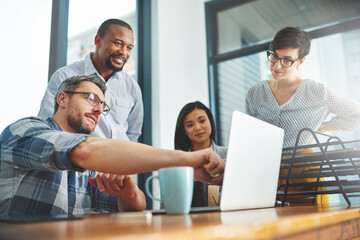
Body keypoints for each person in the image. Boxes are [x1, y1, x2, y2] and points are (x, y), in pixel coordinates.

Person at [0, 76, 225, 216]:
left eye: (103, 106)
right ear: (62, 99)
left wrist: (128, 193)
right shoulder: (25, 130)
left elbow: (135, 206)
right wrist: (187, 160)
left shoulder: (86, 168)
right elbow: (86, 150)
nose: (99, 110)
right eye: (91, 98)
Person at [246, 26, 360, 204]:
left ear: (301, 61)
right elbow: (248, 135)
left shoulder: (315, 91)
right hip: (266, 176)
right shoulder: (255, 93)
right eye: (274, 55)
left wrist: (320, 128)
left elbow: (357, 115)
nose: (277, 65)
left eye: (287, 60)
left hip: (305, 175)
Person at [38, 18, 143, 142]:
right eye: (118, 43)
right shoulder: (65, 76)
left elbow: (133, 134)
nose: (123, 52)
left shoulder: (132, 87)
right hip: (81, 157)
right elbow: (47, 127)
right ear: (98, 41)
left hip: (120, 158)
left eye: (129, 48)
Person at [174, 101, 227, 207]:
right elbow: (166, 205)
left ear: (210, 122)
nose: (197, 127)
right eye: (190, 125)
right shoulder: (178, 164)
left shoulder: (229, 155)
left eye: (202, 121)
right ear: (184, 131)